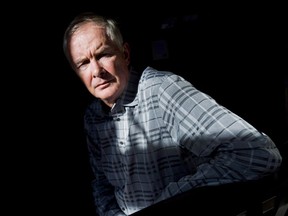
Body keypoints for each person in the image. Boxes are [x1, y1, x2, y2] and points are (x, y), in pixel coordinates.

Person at [62, 12, 283, 216]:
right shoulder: (92, 117)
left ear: (125, 54)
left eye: (103, 54)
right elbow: (102, 184)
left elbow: (258, 153)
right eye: (83, 63)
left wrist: (170, 200)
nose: (97, 71)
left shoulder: (162, 90)